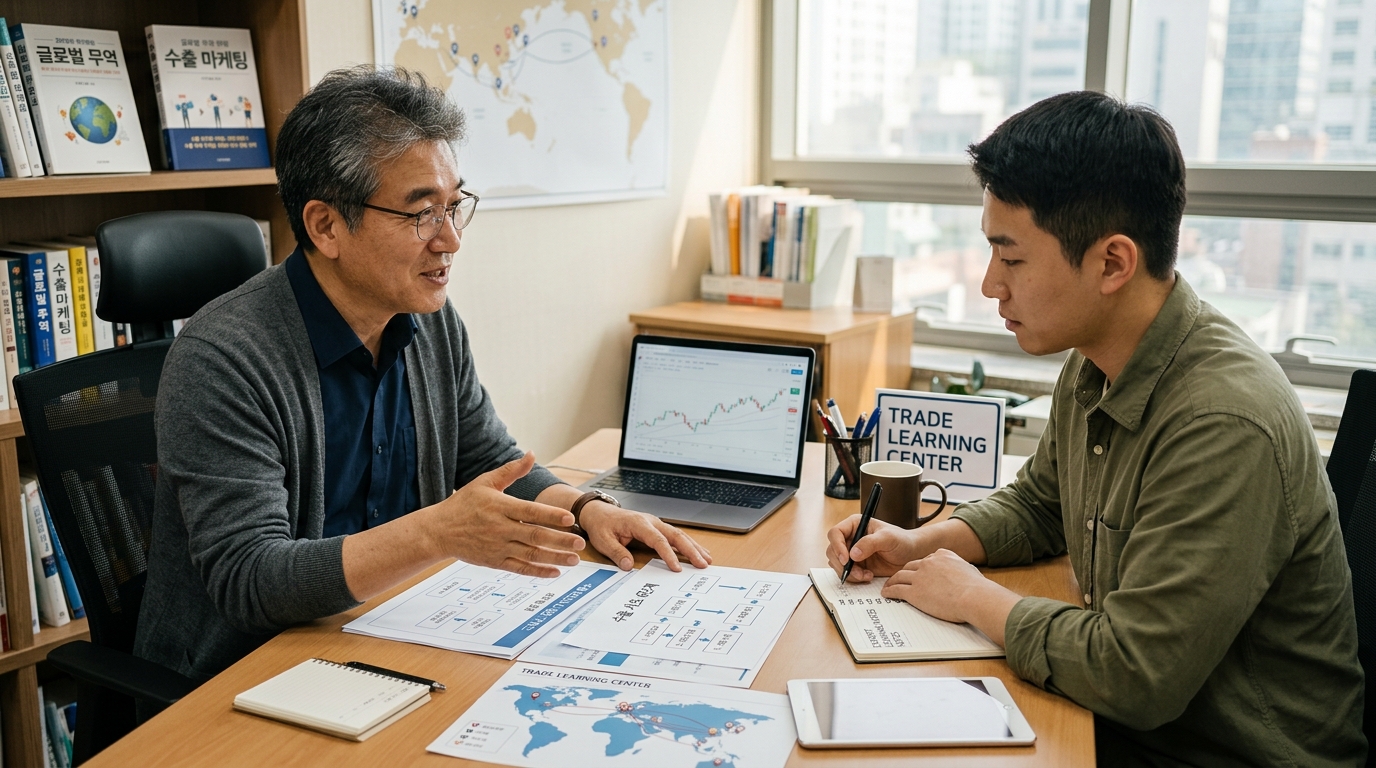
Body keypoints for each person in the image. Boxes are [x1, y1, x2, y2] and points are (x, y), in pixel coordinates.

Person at [825, 91, 1366, 766]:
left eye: (1012, 258)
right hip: (1138, 724)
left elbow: (1137, 676)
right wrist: (920, 544)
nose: (992, 284)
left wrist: (972, 597)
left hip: (1222, 751)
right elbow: (1042, 503)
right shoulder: (1095, 362)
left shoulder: (1223, 421)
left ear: (1112, 263)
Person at [135, 66, 711, 682]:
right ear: (326, 226)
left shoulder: (425, 317)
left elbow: (487, 459)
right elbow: (252, 581)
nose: (450, 241)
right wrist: (438, 533)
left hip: (388, 630)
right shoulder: (223, 360)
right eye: (420, 215)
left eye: (454, 207)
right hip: (243, 675)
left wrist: (586, 509)